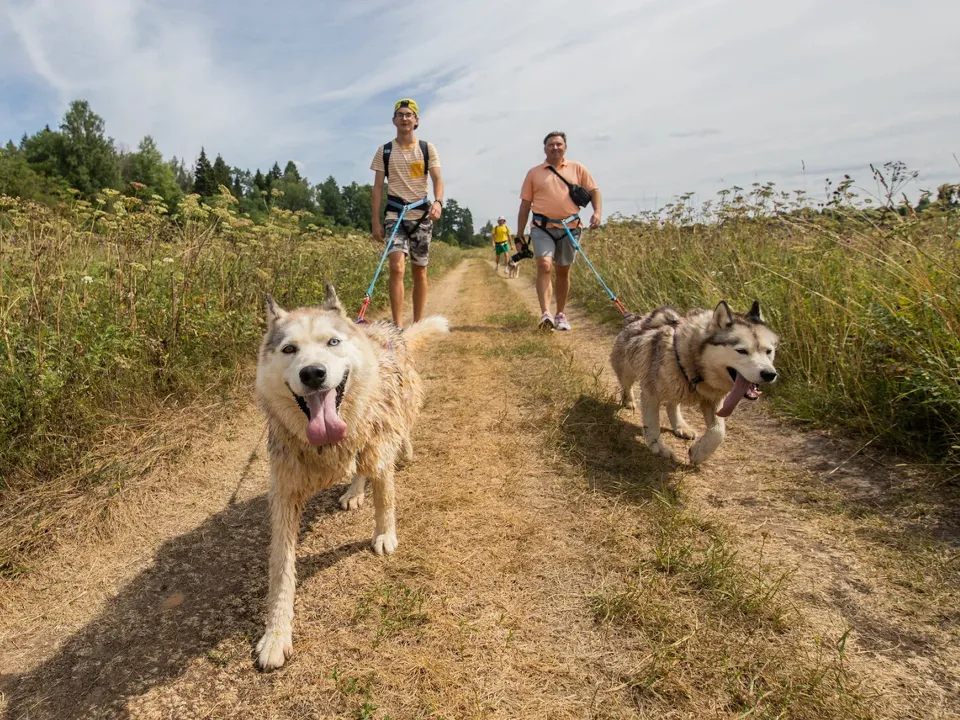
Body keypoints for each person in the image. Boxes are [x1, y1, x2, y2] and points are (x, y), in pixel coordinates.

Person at [370, 99, 444, 329]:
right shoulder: (385, 151)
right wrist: (375, 222)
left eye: (409, 115)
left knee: (420, 271)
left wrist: (439, 202)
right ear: (394, 120)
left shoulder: (426, 148)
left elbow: (437, 179)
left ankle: (418, 323)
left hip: (421, 215)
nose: (404, 118)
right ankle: (397, 325)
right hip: (395, 215)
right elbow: (378, 188)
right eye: (400, 115)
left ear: (416, 121)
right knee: (396, 267)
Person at [517, 131, 601, 331]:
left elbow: (594, 191)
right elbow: (525, 205)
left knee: (563, 270)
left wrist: (597, 212)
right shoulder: (534, 173)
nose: (555, 147)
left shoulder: (578, 169)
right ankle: (546, 313)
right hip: (541, 228)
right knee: (544, 265)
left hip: (570, 228)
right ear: (544, 148)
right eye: (551, 144)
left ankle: (560, 314)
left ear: (565, 147)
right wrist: (520, 235)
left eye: (559, 144)